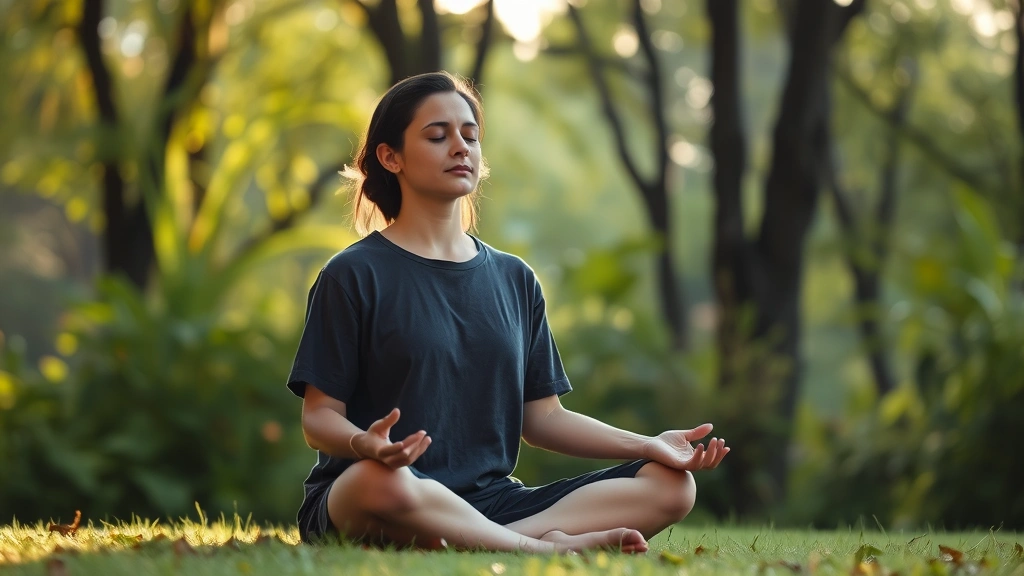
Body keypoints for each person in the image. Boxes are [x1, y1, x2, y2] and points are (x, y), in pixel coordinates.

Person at [286, 71, 729, 554]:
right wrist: (364, 446)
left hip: (492, 502)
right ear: (390, 157)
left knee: (671, 487)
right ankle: (544, 548)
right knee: (378, 482)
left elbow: (543, 420)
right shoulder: (352, 275)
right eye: (438, 136)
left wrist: (647, 444)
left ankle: (494, 539)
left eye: (470, 136)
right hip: (380, 491)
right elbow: (319, 419)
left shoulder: (514, 278)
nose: (461, 147)